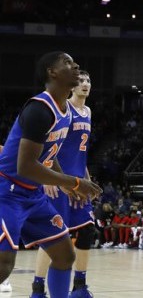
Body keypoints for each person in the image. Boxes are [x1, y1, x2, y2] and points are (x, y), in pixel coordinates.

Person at [0, 52, 101, 298]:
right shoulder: (39, 109)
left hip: (33, 195)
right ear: (51, 72)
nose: (75, 65)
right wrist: (74, 181)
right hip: (7, 191)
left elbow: (50, 152)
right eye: (67, 63)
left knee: (65, 255)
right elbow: (26, 166)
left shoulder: (65, 111)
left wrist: (65, 183)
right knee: (4, 264)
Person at [31, 70, 95, 298]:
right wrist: (47, 174)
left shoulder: (87, 112)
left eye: (88, 81)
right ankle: (38, 289)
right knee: (54, 238)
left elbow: (81, 152)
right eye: (80, 81)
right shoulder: (63, 109)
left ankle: (80, 286)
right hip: (58, 183)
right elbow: (47, 142)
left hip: (78, 182)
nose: (84, 84)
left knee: (88, 232)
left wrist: (87, 180)